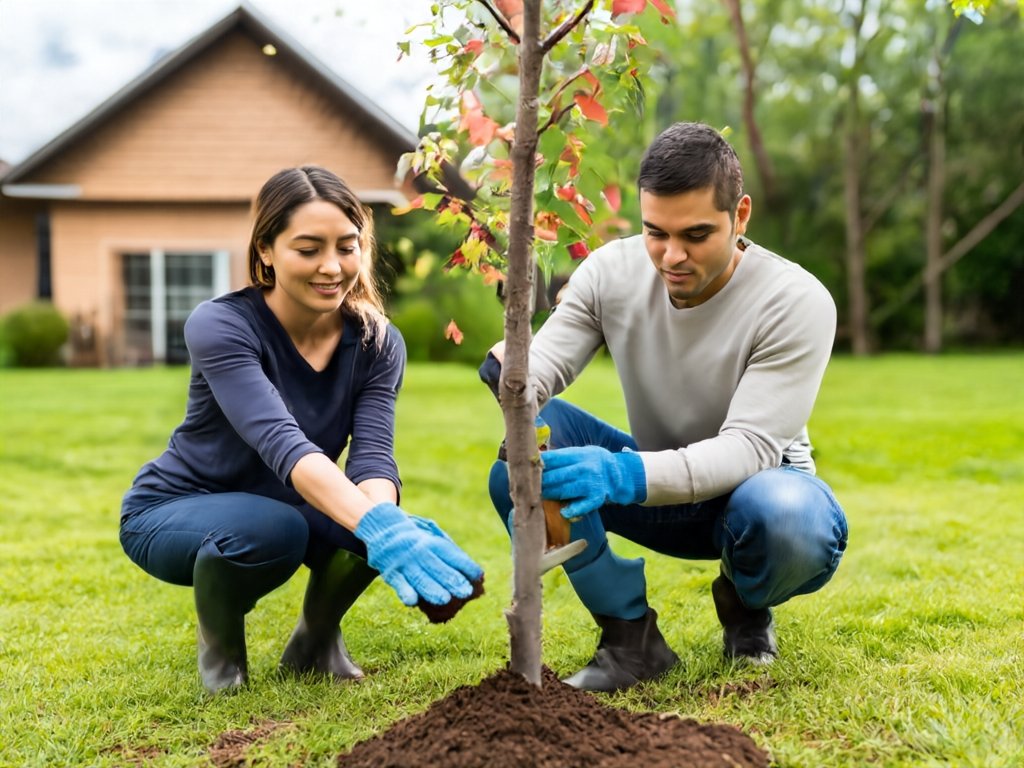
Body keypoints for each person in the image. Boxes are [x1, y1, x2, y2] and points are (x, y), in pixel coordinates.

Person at [482, 122, 848, 693]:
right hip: (657, 488)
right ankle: (632, 640)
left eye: (696, 234)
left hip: (757, 493)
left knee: (787, 523)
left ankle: (746, 599)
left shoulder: (796, 301)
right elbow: (545, 367)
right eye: (656, 232)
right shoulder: (610, 272)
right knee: (518, 468)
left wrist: (622, 472)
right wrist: (515, 374)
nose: (671, 256)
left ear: (741, 215)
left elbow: (749, 448)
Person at [120, 166, 483, 695]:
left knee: (376, 517)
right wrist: (376, 526)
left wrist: (388, 524)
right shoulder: (222, 325)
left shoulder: (378, 343)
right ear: (266, 250)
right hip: (174, 508)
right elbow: (283, 445)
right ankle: (222, 660)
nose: (332, 267)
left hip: (288, 501)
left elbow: (373, 459)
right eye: (308, 249)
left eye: (347, 246)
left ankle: (314, 643)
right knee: (281, 528)